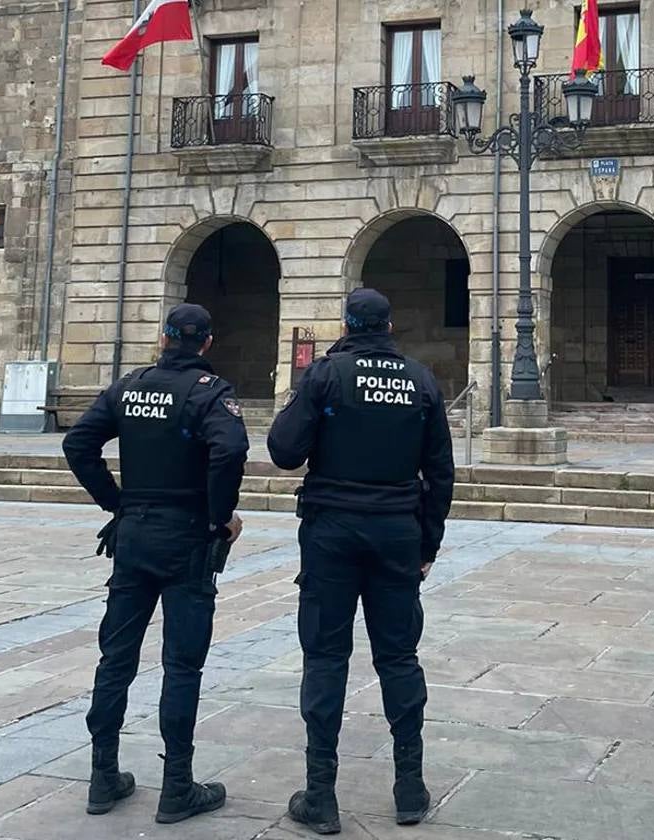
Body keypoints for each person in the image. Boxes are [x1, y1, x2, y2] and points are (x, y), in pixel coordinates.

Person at [267, 288, 455, 835]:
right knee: (399, 657)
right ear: (390, 326)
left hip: (331, 532)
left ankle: (321, 794)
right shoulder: (420, 380)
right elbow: (441, 473)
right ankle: (410, 788)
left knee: (325, 657)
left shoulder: (326, 375)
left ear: (346, 323)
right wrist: (428, 546)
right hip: (397, 532)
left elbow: (283, 451)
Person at [63, 303, 249, 824]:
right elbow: (230, 449)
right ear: (207, 343)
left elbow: (78, 443)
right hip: (187, 536)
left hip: (134, 535)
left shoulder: (130, 387)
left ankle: (103, 777)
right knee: (182, 664)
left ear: (163, 338)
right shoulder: (210, 392)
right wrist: (219, 516)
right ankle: (177, 786)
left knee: (115, 658)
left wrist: (115, 501)